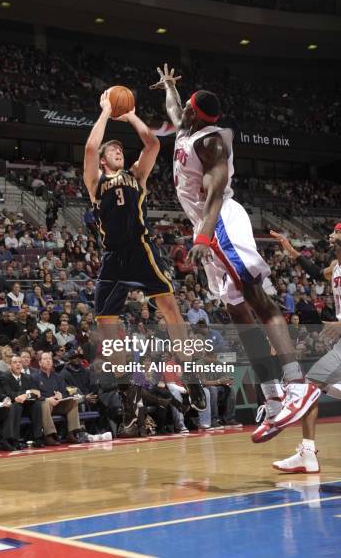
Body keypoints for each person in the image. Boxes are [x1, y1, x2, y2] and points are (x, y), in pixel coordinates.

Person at [151, 63, 320, 441]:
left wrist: (203, 238)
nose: (184, 111)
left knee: (255, 297)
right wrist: (168, 86)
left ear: (198, 113)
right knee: (239, 314)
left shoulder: (211, 142)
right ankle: (274, 398)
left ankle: (297, 384)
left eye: (188, 106)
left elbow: (213, 196)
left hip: (221, 219)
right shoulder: (185, 125)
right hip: (204, 226)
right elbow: (173, 109)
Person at [83, 90, 206, 411]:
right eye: (112, 150)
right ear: (103, 161)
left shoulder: (136, 175)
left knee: (170, 309)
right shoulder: (95, 181)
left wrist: (130, 116)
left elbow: (152, 145)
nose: (117, 151)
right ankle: (128, 391)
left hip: (140, 249)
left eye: (120, 149)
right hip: (112, 257)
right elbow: (90, 147)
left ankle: (190, 373)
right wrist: (106, 112)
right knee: (105, 320)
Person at [269, 227, 341, 473]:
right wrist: (290, 250)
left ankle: (308, 454)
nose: (331, 234)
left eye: (337, 231)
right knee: (311, 387)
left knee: (308, 387)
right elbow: (316, 272)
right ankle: (307, 454)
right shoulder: (334, 266)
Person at [0, 355, 44, 448]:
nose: (18, 364)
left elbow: (36, 393)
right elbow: (9, 393)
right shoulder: (4, 377)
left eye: (19, 362)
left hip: (27, 406)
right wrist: (27, 392)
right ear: (9, 365)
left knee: (37, 404)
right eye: (15, 362)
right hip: (13, 406)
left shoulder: (27, 377)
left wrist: (26, 395)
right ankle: (15, 439)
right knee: (17, 406)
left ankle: (37, 437)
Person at [37, 352, 81, 445]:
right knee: (45, 403)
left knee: (73, 401)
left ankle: (71, 433)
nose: (48, 361)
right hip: (45, 406)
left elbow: (65, 393)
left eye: (50, 359)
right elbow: (35, 395)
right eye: (45, 359)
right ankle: (49, 435)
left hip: (58, 404)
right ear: (40, 363)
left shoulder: (58, 376)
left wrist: (61, 395)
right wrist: (47, 399)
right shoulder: (34, 377)